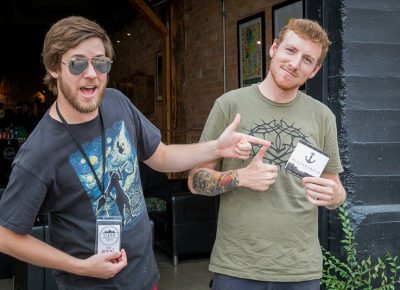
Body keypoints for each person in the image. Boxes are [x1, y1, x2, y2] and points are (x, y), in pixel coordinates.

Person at [0, 16, 270, 290]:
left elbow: (161, 156)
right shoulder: (38, 152)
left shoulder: (117, 103)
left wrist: (216, 148)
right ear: (53, 68)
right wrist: (80, 266)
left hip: (145, 277)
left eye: (100, 62)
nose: (91, 73)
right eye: (77, 63)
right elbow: (6, 236)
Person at [188, 18, 347, 290]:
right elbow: (194, 181)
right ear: (274, 48)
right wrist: (240, 176)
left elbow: (335, 188)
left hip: (300, 269)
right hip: (238, 266)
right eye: (290, 50)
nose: (295, 63)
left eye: (307, 59)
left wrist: (334, 197)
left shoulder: (323, 117)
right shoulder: (229, 105)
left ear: (315, 69)